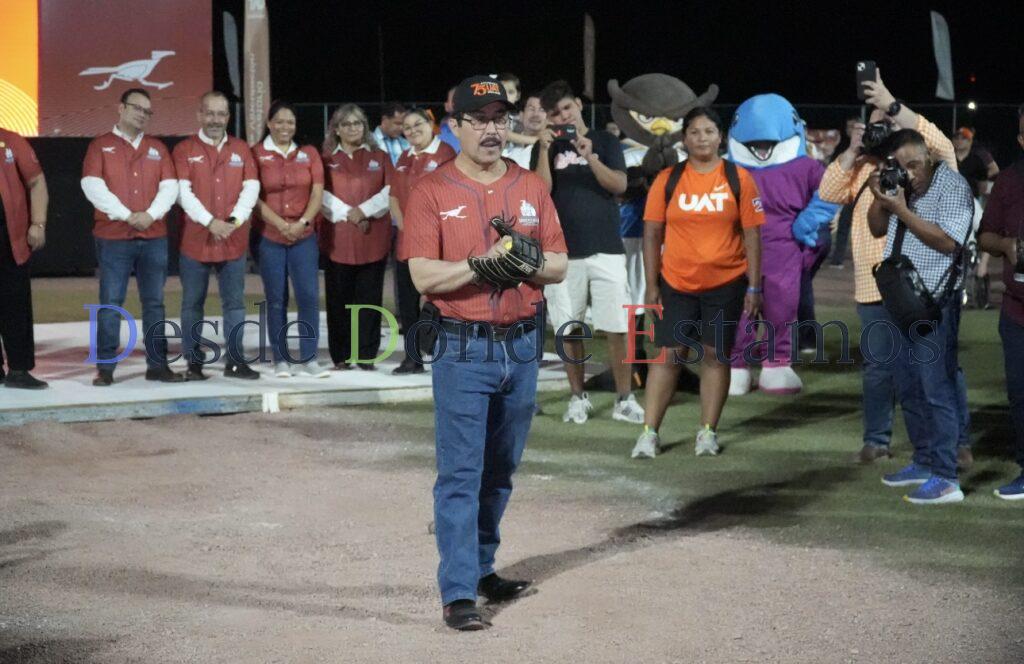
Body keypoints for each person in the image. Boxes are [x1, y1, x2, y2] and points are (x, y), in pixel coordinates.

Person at [403, 74, 567, 631]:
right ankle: (457, 591)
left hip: (520, 346)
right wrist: (480, 266)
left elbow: (558, 264)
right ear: (456, 127)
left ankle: (482, 566)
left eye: (500, 118)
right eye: (481, 120)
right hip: (461, 347)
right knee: (460, 473)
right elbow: (422, 273)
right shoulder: (431, 190)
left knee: (500, 470)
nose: (493, 129)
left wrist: (521, 260)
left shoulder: (530, 187)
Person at [818, 69, 972, 467]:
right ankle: (878, 440)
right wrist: (853, 149)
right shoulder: (864, 169)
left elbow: (939, 144)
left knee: (939, 370)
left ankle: (958, 444)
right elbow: (827, 192)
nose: (882, 128)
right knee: (880, 371)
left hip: (923, 286)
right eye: (875, 125)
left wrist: (890, 103)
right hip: (876, 287)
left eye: (888, 122)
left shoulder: (924, 166)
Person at [630, 107, 764, 459]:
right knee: (669, 355)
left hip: (727, 283)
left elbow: (752, 235)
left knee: (714, 355)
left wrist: (753, 285)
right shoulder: (668, 179)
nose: (701, 138)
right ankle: (649, 433)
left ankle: (707, 432)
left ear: (720, 136)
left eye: (708, 131)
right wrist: (651, 283)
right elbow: (651, 232)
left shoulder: (739, 178)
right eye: (694, 132)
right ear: (684, 138)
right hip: (675, 282)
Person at [867, 129, 974, 504]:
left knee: (936, 386)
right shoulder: (899, 185)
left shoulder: (953, 185)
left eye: (914, 164)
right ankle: (925, 460)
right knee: (908, 384)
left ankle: (946, 476)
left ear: (928, 153)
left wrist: (902, 210)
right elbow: (876, 228)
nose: (910, 173)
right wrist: (881, 199)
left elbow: (948, 240)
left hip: (935, 300)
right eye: (902, 165)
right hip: (901, 295)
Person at [532, 79, 644, 424]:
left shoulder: (606, 141)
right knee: (569, 328)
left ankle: (624, 399)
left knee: (617, 327)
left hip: (606, 248)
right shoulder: (546, 147)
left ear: (578, 105)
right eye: (555, 113)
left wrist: (589, 155)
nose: (563, 115)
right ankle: (577, 397)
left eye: (566, 108)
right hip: (564, 251)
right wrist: (542, 149)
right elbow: (541, 192)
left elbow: (619, 186)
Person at [80, 88, 182, 386]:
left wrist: (149, 215)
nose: (142, 115)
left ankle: (158, 365)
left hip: (154, 236)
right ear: (121, 108)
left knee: (155, 303)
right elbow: (92, 186)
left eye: (147, 111)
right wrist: (128, 215)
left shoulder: (157, 148)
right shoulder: (100, 146)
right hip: (114, 237)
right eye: (137, 108)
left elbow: (170, 187)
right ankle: (106, 368)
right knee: (111, 301)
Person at [173, 91, 261, 381]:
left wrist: (232, 222)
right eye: (209, 113)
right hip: (196, 241)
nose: (215, 119)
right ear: (199, 115)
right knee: (192, 304)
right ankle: (194, 364)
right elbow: (183, 193)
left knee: (234, 304)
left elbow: (251, 189)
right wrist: (211, 222)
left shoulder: (242, 149)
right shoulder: (185, 149)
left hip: (232, 241)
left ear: (228, 117)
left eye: (221, 114)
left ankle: (235, 361)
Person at [252, 100, 327, 378]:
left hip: (304, 237)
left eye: (290, 122)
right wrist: (281, 224)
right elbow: (253, 197)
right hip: (270, 236)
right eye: (280, 121)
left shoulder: (309, 153)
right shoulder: (256, 153)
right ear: (269, 124)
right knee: (276, 299)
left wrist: (303, 222)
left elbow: (317, 193)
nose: (285, 127)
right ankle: (280, 358)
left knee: (308, 297)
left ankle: (310, 358)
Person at [320, 104, 393, 370]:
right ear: (336, 129)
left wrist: (363, 211)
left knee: (369, 299)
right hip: (338, 239)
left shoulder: (380, 156)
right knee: (339, 301)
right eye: (347, 124)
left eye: (358, 123)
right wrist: (349, 214)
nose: (354, 128)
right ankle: (341, 356)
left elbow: (389, 191)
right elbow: (321, 193)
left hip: (372, 237)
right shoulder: (325, 158)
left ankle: (366, 355)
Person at [976, 110, 1024, 500]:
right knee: (1020, 395)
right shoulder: (1008, 181)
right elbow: (985, 235)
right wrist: (1007, 246)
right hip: (1017, 312)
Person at [389, 108, 456, 374]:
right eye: (406, 127)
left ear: (431, 124)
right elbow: (394, 196)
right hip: (408, 241)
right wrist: (405, 226)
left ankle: (442, 352)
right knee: (407, 301)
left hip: (436, 241)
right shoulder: (405, 156)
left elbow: (450, 197)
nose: (413, 130)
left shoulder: (446, 155)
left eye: (418, 124)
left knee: (437, 299)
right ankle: (412, 357)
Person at [0, 126, 49, 390]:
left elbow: (36, 181)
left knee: (15, 305)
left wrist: (38, 223)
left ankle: (18, 370)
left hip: (9, 239)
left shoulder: (11, 141)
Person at [827, 116, 865, 268]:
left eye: (853, 126)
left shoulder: (866, 146)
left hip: (863, 191)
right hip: (849, 192)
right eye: (848, 126)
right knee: (843, 224)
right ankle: (837, 259)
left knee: (865, 228)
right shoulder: (843, 145)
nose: (850, 130)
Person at [953, 127, 1000, 200]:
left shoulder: (979, 154)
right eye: (957, 138)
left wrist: (975, 178)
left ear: (970, 141)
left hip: (972, 197)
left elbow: (994, 169)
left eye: (963, 138)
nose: (959, 141)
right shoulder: (947, 157)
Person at [502, 93, 545, 169]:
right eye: (531, 109)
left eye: (542, 110)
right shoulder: (506, 145)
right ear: (521, 115)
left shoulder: (549, 150)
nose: (536, 114)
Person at [438, 86, 461, 153]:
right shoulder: (436, 136)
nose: (459, 102)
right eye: (455, 99)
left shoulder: (480, 132)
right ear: (446, 106)